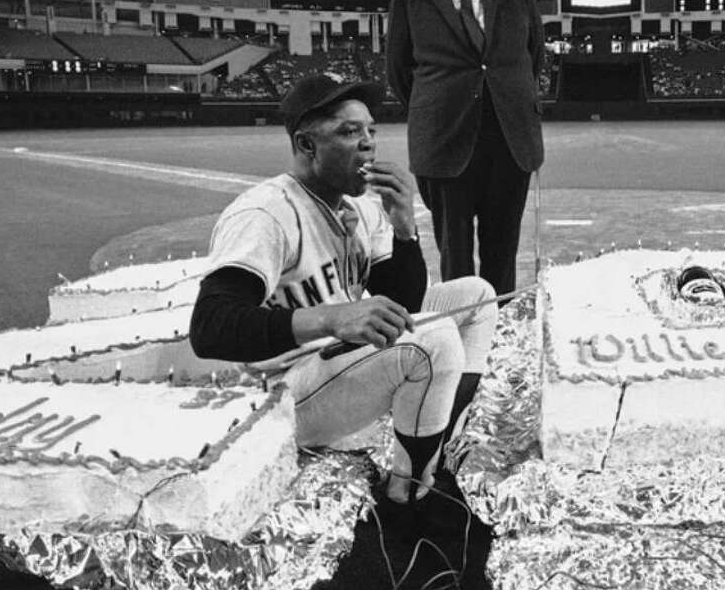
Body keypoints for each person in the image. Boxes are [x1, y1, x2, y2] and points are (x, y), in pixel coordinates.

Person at [190, 74, 496, 524]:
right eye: (349, 132)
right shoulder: (267, 213)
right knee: (435, 342)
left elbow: (403, 302)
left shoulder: (356, 208)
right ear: (307, 145)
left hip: (336, 362)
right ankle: (409, 499)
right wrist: (331, 318)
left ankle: (436, 443)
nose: (368, 144)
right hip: (282, 390)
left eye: (371, 130)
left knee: (476, 296)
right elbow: (210, 329)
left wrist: (404, 227)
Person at [386, 0, 544, 297]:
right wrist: (442, 108)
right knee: (454, 256)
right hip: (444, 144)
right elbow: (400, 73)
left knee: (502, 250)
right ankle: (461, 340)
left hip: (510, 141)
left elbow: (534, 57)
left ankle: (498, 329)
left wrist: (505, 100)